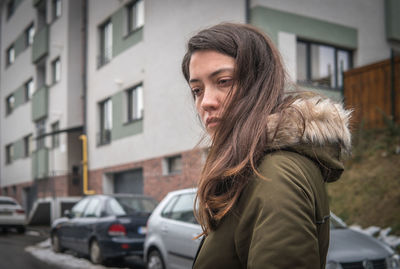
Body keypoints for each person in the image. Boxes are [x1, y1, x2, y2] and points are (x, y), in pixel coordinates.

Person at [181, 23, 352, 269]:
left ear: (259, 83)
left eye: (224, 81)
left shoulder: (276, 175)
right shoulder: (248, 167)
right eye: (197, 90)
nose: (206, 101)